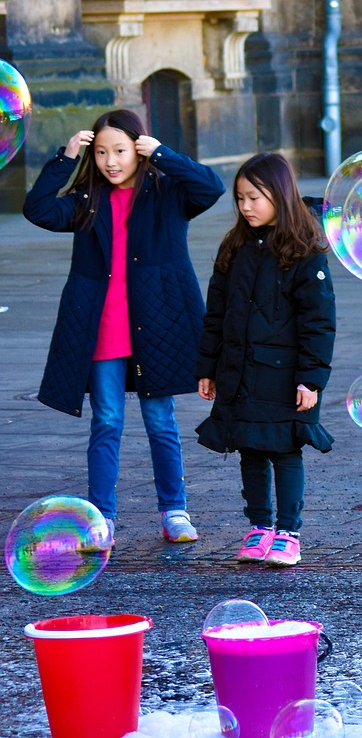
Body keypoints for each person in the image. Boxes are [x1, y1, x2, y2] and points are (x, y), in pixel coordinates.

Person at [22, 109, 224, 545]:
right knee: (107, 420)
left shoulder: (167, 193)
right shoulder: (86, 201)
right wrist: (64, 158)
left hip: (156, 327)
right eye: (100, 153)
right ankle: (102, 517)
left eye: (120, 150)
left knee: (160, 421)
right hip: (102, 329)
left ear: (138, 148)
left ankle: (175, 511)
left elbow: (211, 187)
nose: (110, 161)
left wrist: (165, 154)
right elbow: (37, 209)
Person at [195, 153, 336, 568]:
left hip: (285, 374)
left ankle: (288, 533)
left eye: (255, 197)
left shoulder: (304, 250)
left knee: (286, 450)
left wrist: (310, 379)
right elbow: (215, 314)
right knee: (250, 450)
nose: (246, 206)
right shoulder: (234, 247)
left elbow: (319, 322)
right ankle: (259, 527)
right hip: (239, 368)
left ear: (280, 195)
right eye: (240, 198)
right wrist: (207, 367)